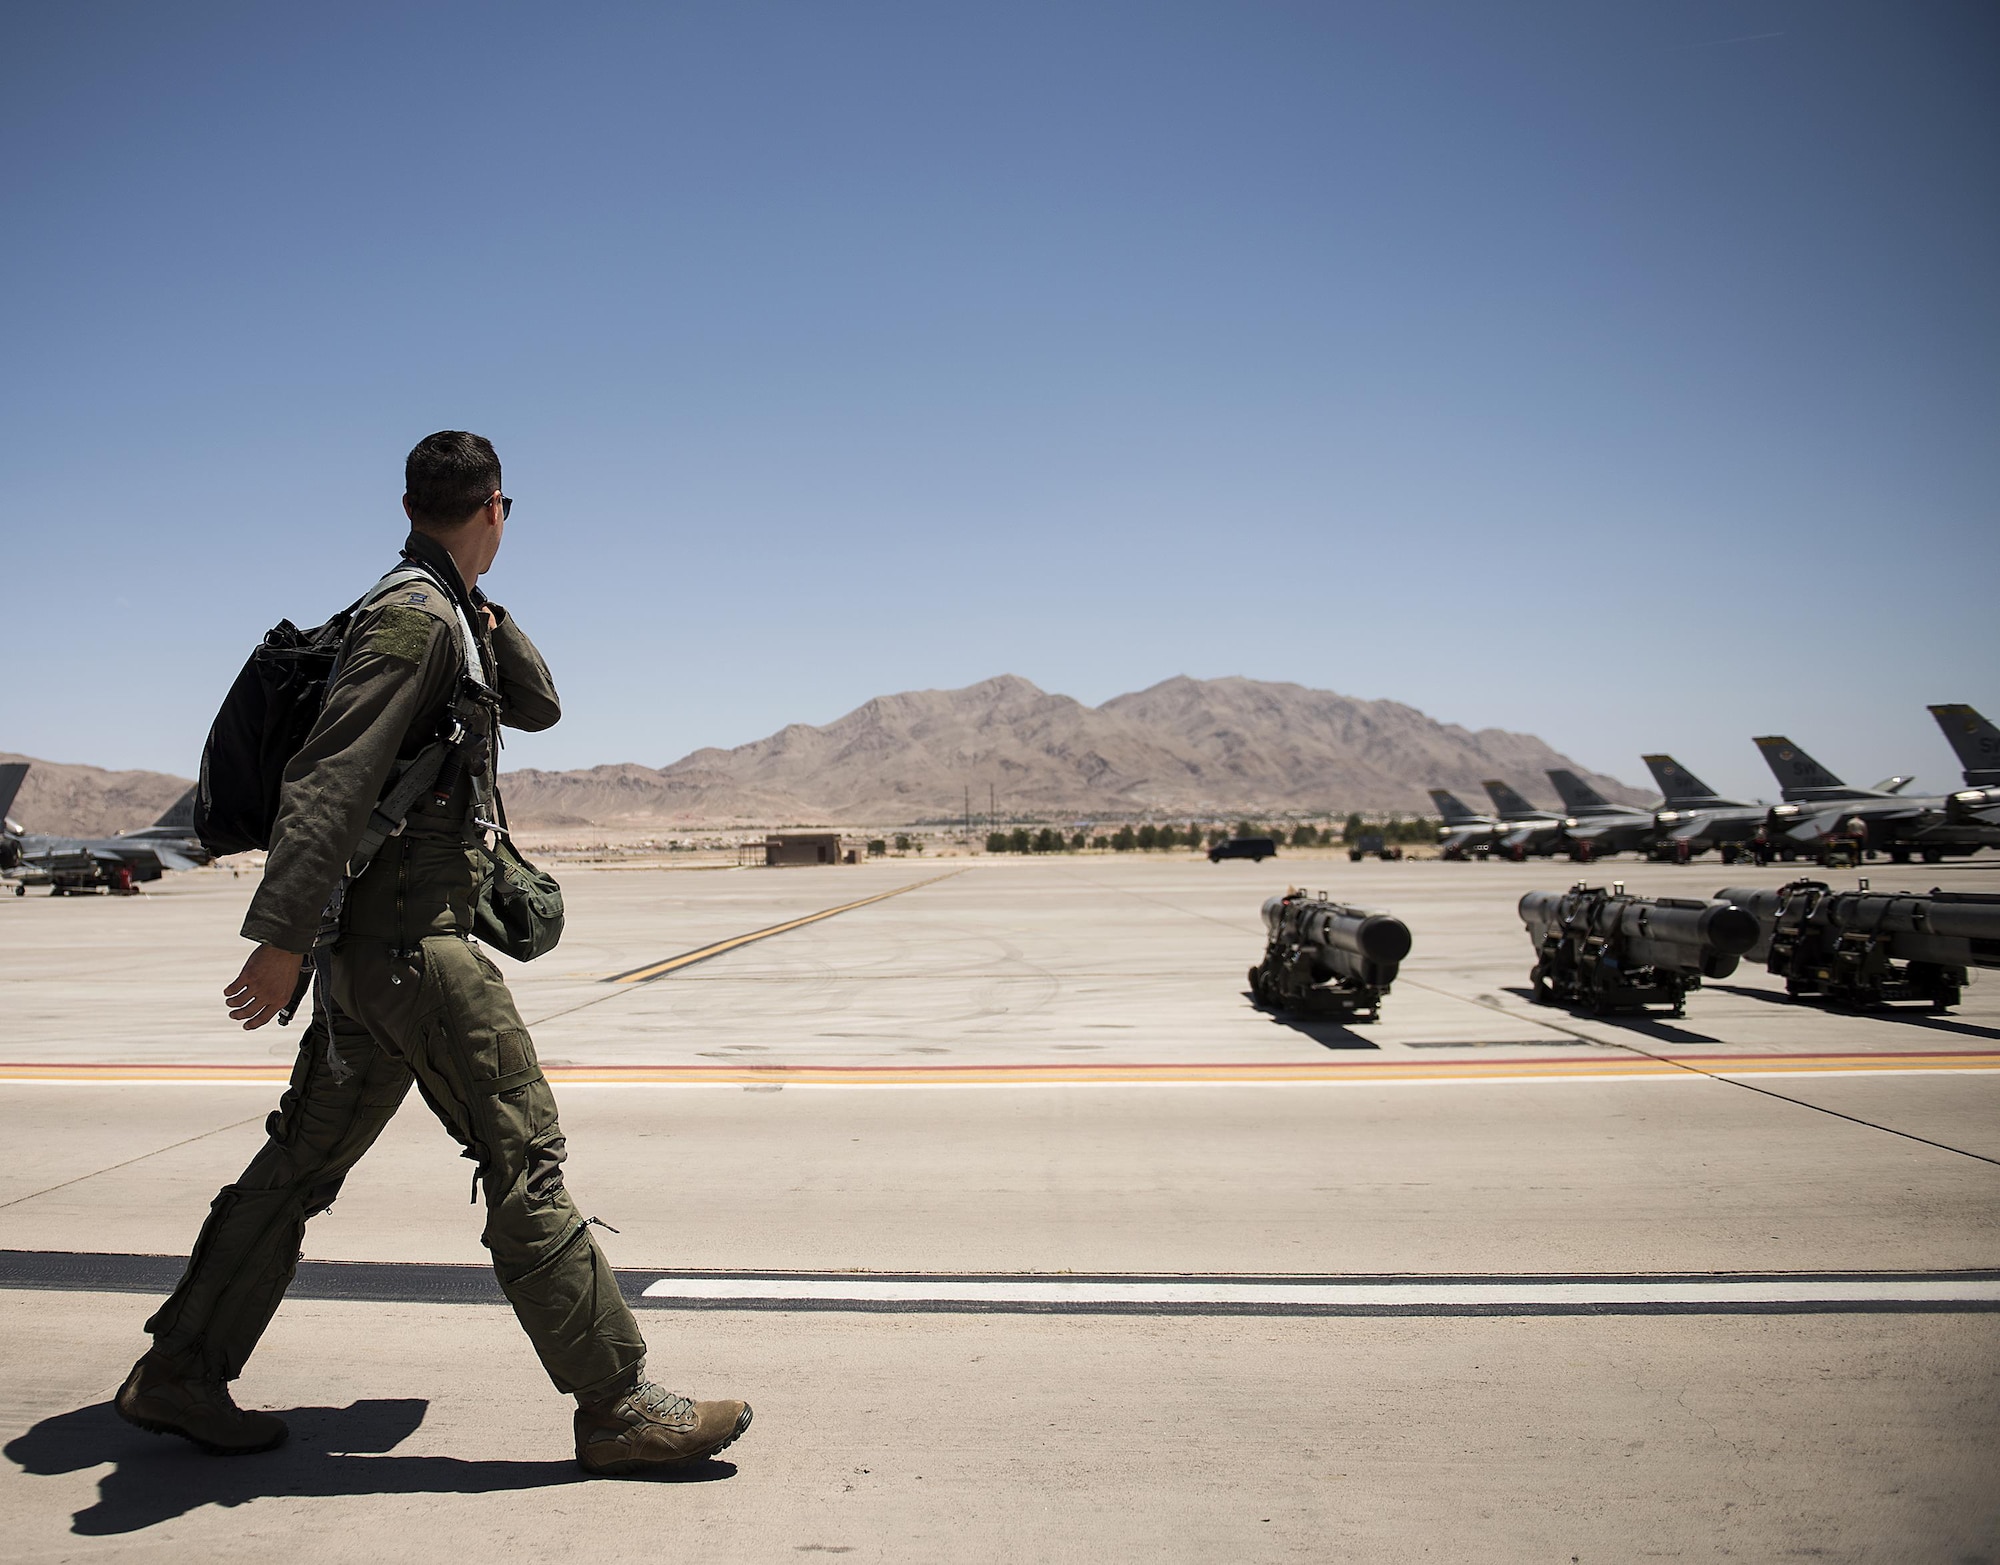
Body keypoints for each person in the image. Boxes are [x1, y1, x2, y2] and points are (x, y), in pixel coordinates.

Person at [117, 431, 750, 1476]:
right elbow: (329, 776)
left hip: (380, 964)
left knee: (299, 1162)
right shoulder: (412, 621)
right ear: (497, 508)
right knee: (524, 1153)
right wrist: (277, 941)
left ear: (411, 505)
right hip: (414, 948)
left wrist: (483, 607)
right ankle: (618, 1402)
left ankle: (179, 1369)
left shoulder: (447, 612)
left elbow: (540, 704)